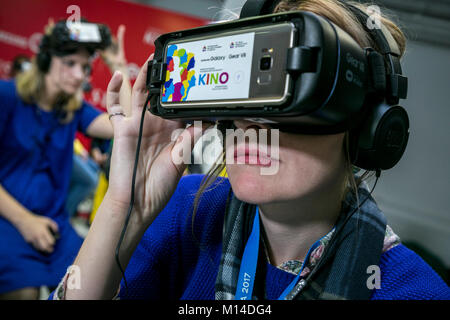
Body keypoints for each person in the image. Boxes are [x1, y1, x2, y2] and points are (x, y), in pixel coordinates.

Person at [54, 0, 450, 300]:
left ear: (365, 125)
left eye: (289, 92)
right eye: (241, 90)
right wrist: (128, 208)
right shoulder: (187, 209)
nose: (251, 122)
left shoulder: (412, 290)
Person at [0, 20, 130, 299]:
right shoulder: (7, 96)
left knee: (104, 283)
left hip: (54, 225)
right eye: (70, 63)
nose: (78, 75)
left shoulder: (75, 109)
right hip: (7, 219)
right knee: (25, 293)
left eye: (84, 68)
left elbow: (129, 125)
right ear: (46, 61)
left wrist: (117, 63)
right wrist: (25, 221)